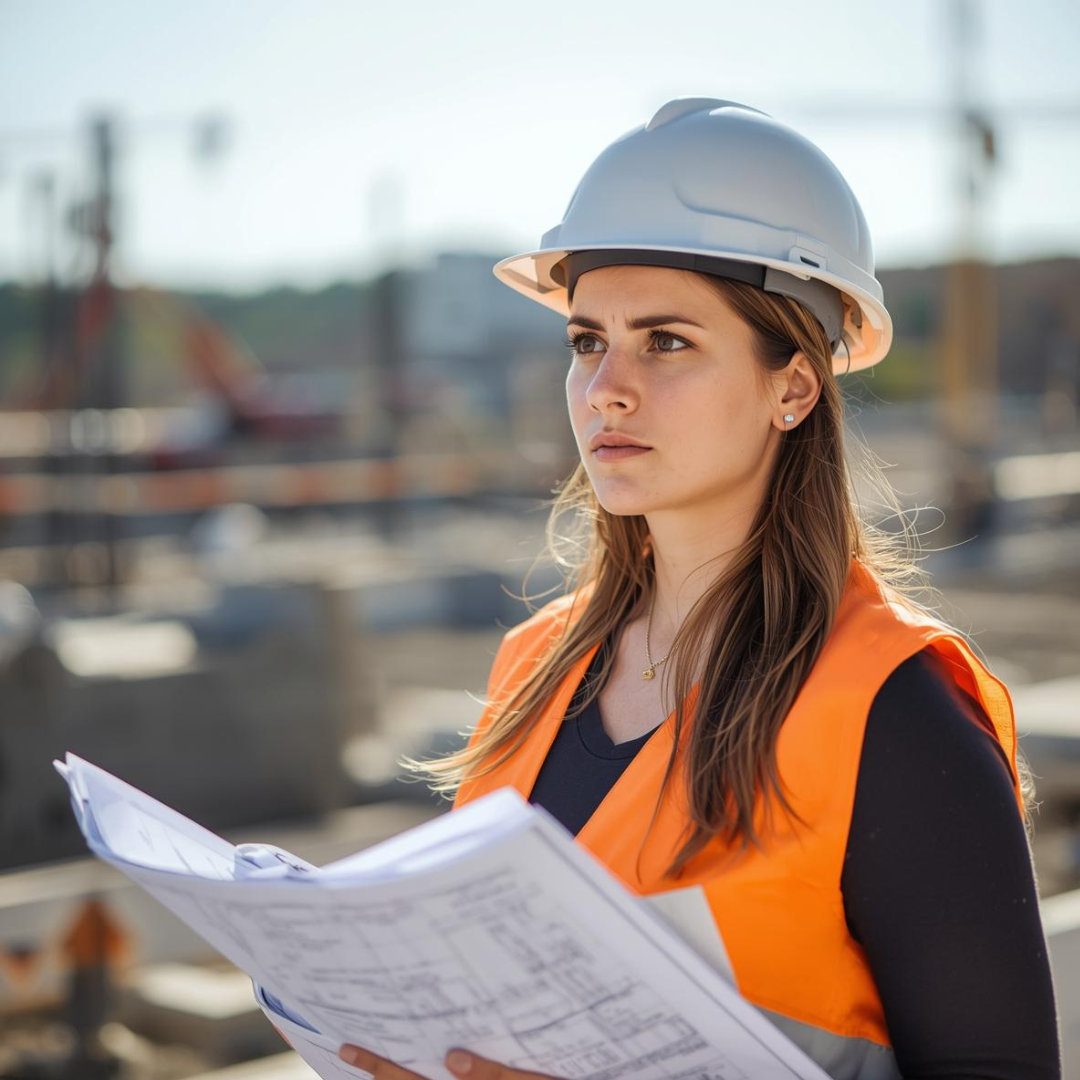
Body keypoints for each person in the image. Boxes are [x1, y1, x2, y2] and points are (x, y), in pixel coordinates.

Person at [338, 98, 1061, 1079]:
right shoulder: (533, 668)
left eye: (666, 341)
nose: (606, 389)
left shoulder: (892, 712)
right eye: (587, 341)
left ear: (793, 389)